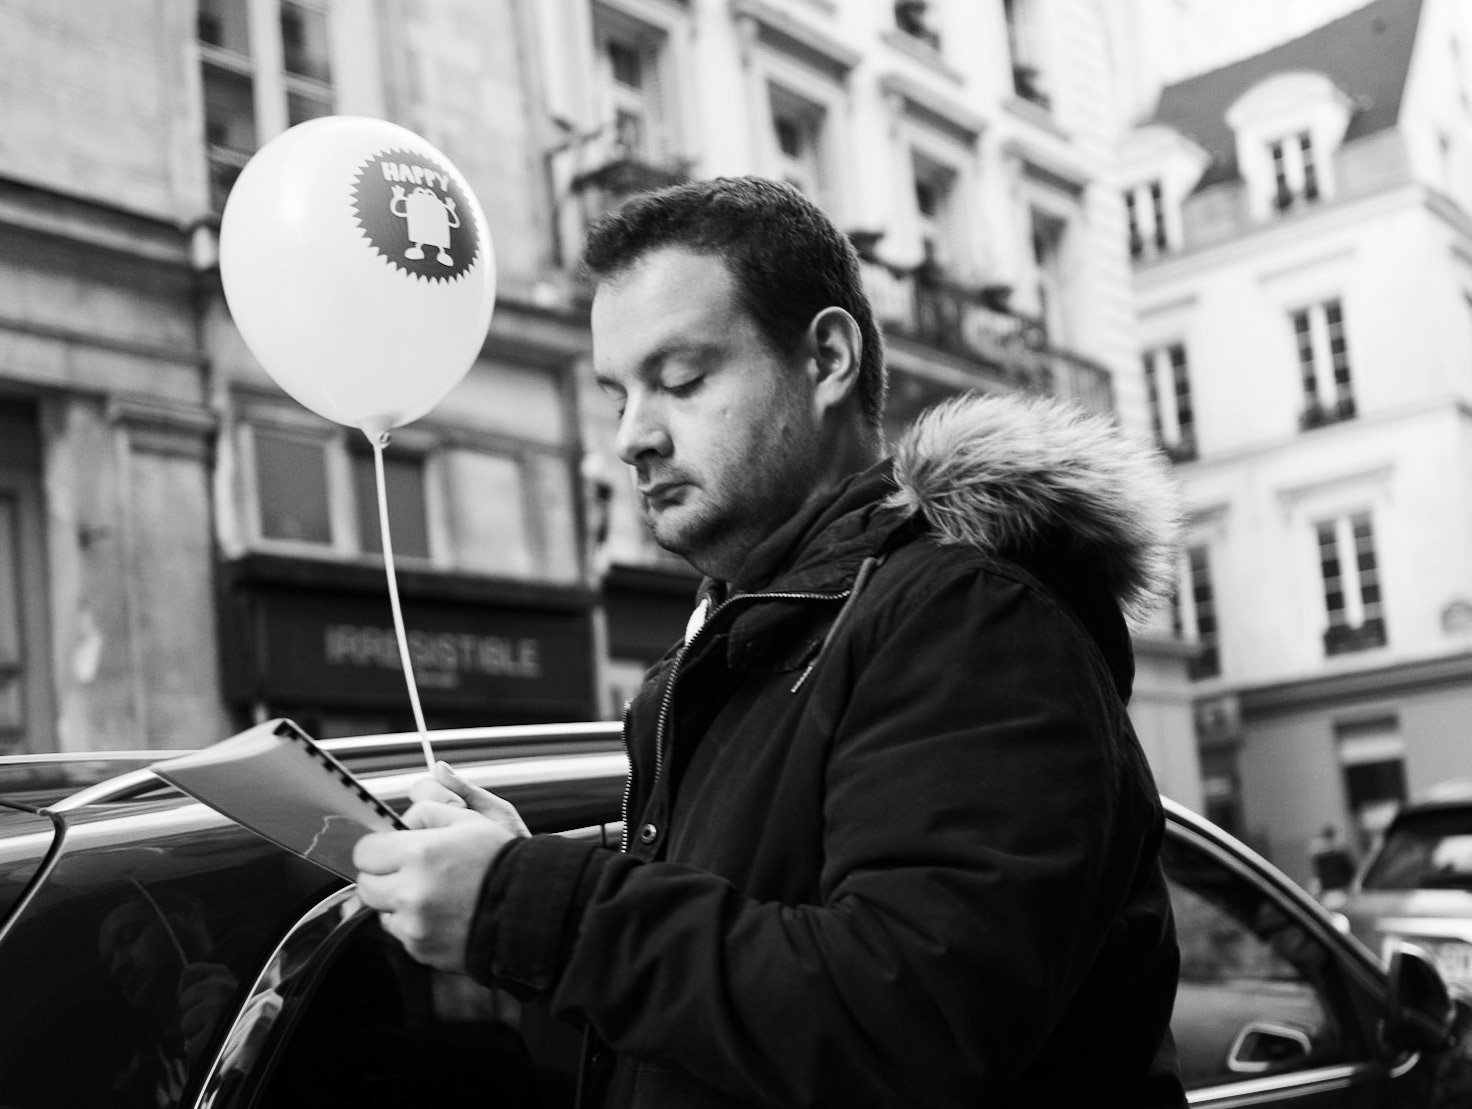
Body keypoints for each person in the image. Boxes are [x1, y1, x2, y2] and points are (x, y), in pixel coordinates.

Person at [354, 175, 1188, 1107]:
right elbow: (704, 1035)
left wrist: (533, 903)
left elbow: (909, 1020)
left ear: (827, 358)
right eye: (615, 394)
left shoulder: (970, 618)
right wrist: (512, 898)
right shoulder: (736, 653)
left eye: (680, 379)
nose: (633, 435)